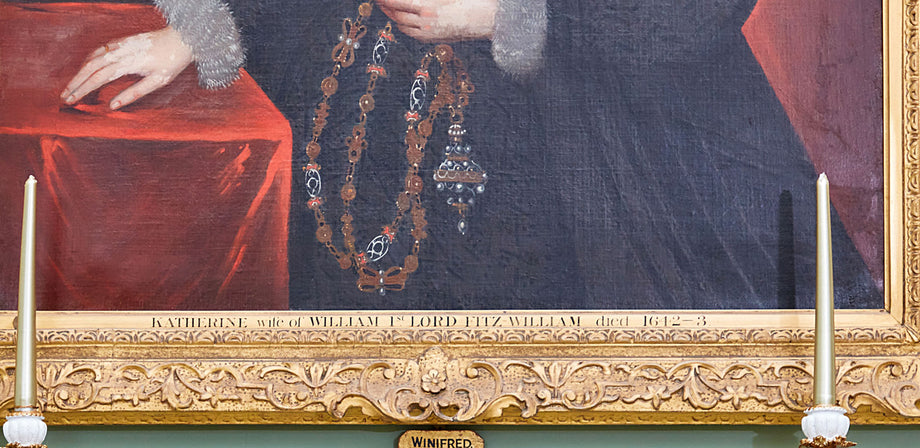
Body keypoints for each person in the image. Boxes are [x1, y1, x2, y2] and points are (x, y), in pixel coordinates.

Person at [60, 0, 882, 311]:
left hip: (589, 162)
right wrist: (204, 27)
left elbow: (693, 12)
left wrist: (504, 14)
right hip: (368, 135)